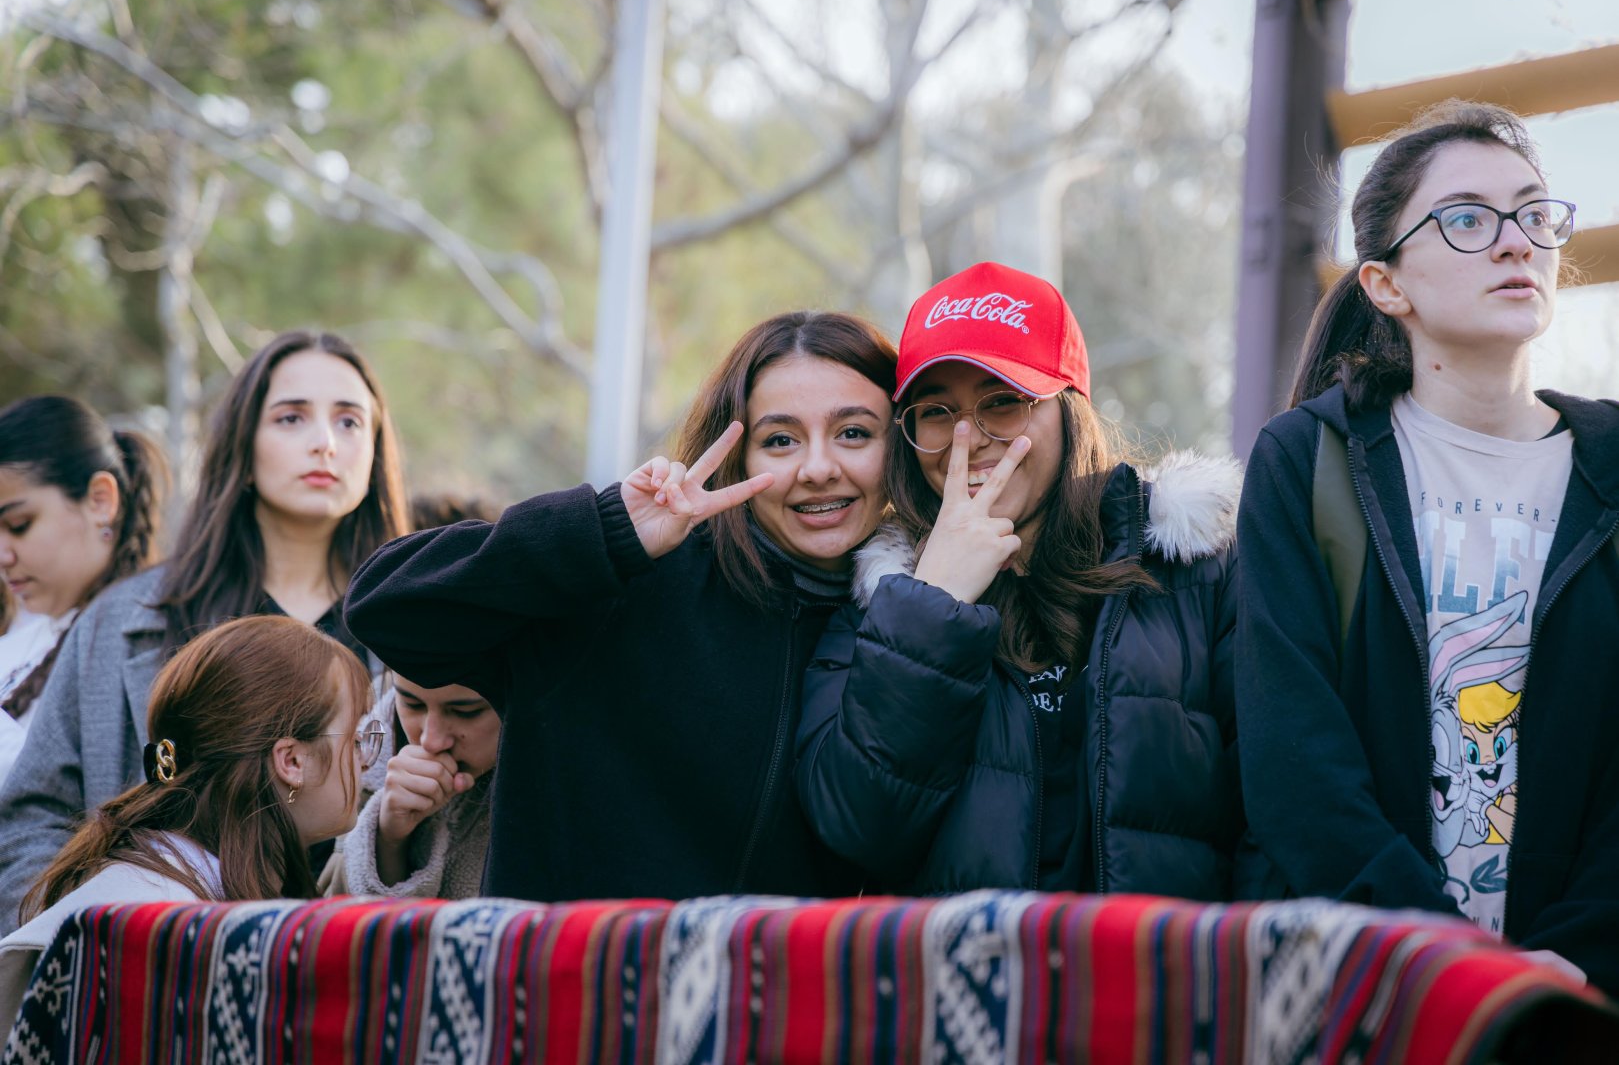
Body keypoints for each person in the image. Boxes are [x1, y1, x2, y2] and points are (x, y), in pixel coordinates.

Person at [1236, 100, 1619, 994]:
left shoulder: (1611, 468)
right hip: (1366, 991)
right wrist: (1443, 966)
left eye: (1532, 212)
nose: (1515, 241)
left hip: (1581, 998)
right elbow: (1294, 760)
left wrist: (1578, 959)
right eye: (1465, 219)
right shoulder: (1307, 460)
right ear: (1385, 285)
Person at [345, 311, 896, 901]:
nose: (817, 469)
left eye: (854, 433)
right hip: (572, 981)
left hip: (773, 988)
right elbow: (387, 608)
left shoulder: (915, 619)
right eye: (780, 440)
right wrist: (604, 532)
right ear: (737, 453)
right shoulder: (624, 578)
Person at [795, 262, 1243, 896]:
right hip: (959, 988)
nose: (968, 439)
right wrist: (933, 604)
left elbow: (1273, 812)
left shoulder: (1198, 572)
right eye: (936, 411)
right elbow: (855, 827)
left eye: (1003, 402)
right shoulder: (880, 606)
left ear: (1070, 412)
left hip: (1157, 981)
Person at [0, 331, 409, 933]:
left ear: (376, 453)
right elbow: (32, 812)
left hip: (346, 976)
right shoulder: (128, 619)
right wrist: (88, 935)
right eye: (291, 417)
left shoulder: (412, 631)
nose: (324, 443)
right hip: (152, 976)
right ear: (242, 444)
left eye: (350, 423)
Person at [0, 615, 382, 1032]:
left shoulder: (171, 886)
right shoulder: (160, 937)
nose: (366, 760)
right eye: (357, 737)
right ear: (292, 761)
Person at [0, 396, 167, 788]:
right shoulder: (19, 643)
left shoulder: (154, 649)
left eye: (19, 524)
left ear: (100, 501)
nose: (3, 555)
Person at [324, 675, 498, 899]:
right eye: (412, 704)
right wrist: (387, 840)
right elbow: (338, 918)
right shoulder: (365, 761)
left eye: (465, 712)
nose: (430, 740)